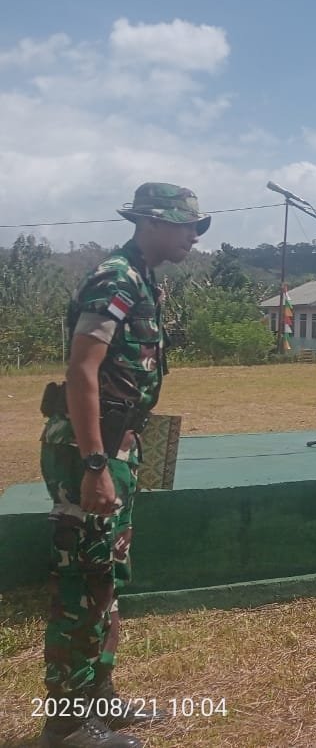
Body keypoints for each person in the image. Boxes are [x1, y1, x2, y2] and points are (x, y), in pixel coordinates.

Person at [39, 183, 210, 748]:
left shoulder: (142, 278)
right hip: (89, 452)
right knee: (83, 582)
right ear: (152, 223)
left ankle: (99, 698)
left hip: (117, 447)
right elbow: (81, 372)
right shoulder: (117, 278)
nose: (193, 236)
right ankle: (66, 726)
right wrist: (94, 463)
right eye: (186, 226)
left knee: (107, 575)